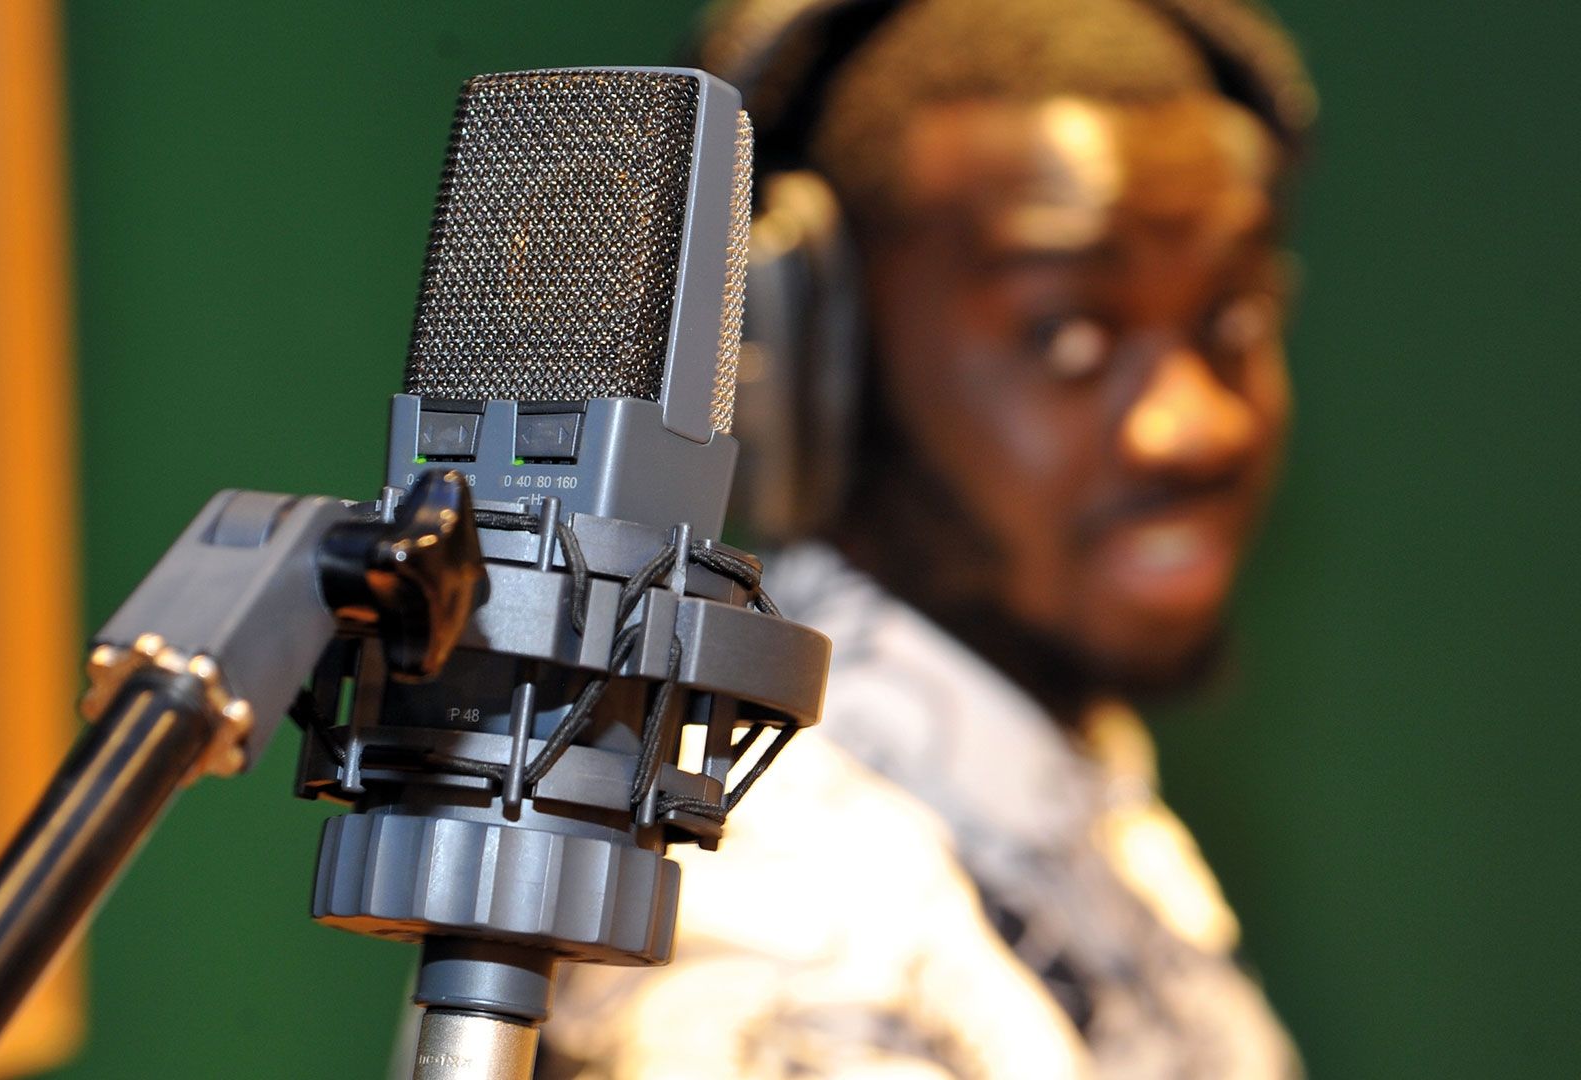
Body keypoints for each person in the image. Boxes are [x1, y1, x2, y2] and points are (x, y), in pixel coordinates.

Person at [543, 0, 1316, 1075]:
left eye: (1233, 321)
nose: (1196, 427)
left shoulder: (1056, 807)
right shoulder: (794, 946)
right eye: (1071, 336)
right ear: (808, 355)